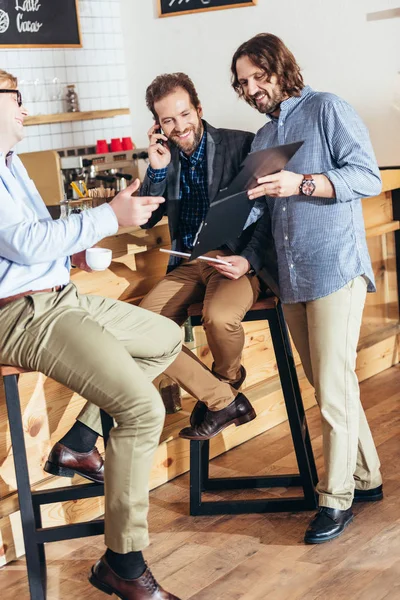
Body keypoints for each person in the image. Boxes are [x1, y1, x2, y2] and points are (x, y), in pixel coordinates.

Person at [0, 69, 182, 600]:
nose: (26, 110)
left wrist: (77, 249)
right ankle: (123, 564)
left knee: (164, 336)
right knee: (143, 410)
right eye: (17, 100)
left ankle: (80, 441)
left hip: (58, 296)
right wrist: (107, 215)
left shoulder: (13, 166)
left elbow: (35, 242)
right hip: (19, 313)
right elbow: (25, 244)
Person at [222, 33, 383, 544]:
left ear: (279, 67)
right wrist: (246, 256)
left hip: (336, 266)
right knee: (330, 384)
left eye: (257, 77)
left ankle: (334, 501)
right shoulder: (263, 137)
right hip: (290, 278)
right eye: (242, 82)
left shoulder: (328, 109)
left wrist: (303, 183)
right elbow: (267, 221)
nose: (250, 89)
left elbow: (368, 176)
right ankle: (367, 476)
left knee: (333, 388)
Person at [138, 72, 270, 441]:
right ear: (158, 126)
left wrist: (248, 260)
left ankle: (225, 385)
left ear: (199, 108)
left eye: (184, 114)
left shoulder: (240, 144)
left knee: (220, 317)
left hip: (234, 261)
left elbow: (271, 213)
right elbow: (147, 218)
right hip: (186, 264)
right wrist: (157, 170)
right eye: (168, 120)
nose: (179, 126)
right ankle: (223, 399)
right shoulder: (166, 159)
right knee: (139, 334)